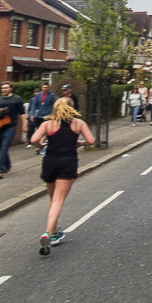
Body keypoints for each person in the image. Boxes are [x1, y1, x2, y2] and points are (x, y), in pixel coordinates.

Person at [31, 97, 95, 255]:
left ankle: (53, 233)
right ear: (72, 108)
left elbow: (33, 139)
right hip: (68, 162)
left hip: (50, 162)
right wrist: (80, 143)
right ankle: (47, 232)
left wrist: (41, 146)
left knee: (53, 199)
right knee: (58, 200)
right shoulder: (78, 124)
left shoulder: (48, 124)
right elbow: (91, 140)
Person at [0, 82, 26, 179]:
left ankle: (0, 169)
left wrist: (25, 125)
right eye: (2, 88)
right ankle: (8, 165)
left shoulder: (16, 99)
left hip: (11, 127)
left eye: (6, 88)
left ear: (11, 89)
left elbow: (22, 113)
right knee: (2, 148)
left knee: (4, 147)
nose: (4, 90)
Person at [27, 83, 55, 150]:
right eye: (43, 87)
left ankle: (41, 145)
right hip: (39, 115)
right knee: (40, 129)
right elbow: (34, 105)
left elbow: (54, 105)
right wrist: (32, 115)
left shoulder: (51, 95)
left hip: (47, 115)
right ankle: (41, 143)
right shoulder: (38, 95)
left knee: (46, 130)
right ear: (41, 87)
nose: (44, 89)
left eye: (46, 87)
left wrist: (52, 114)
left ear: (48, 88)